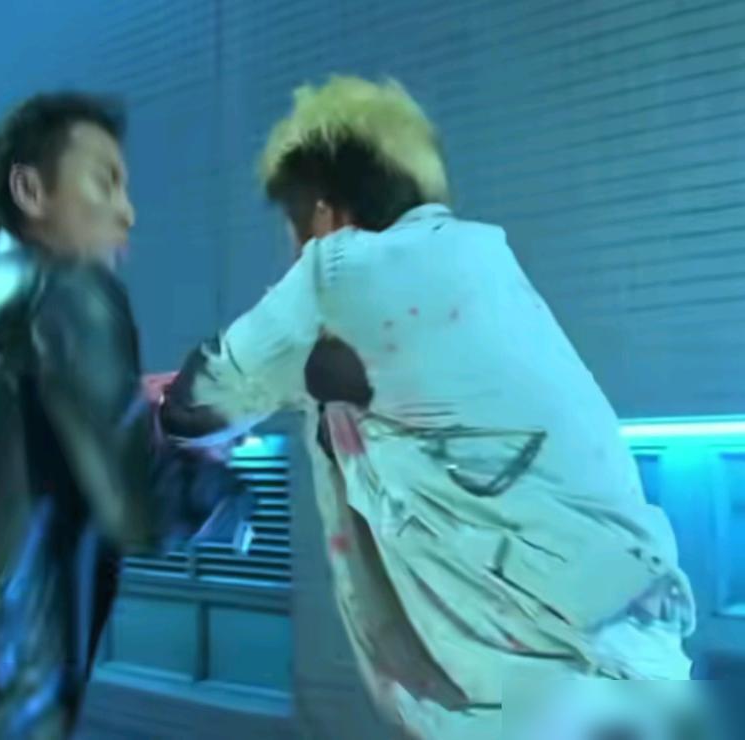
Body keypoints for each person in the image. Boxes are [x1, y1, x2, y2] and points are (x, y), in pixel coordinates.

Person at [158, 76, 698, 739]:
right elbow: (319, 376)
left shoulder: (341, 274)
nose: (293, 252)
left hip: (551, 694)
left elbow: (199, 402)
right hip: (629, 679)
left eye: (293, 226)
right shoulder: (475, 276)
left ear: (324, 214)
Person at [0, 91, 249, 739]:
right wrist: (217, 474)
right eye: (104, 182)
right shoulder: (74, 287)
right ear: (30, 190)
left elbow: (6, 454)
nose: (128, 212)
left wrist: (122, 403)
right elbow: (138, 511)